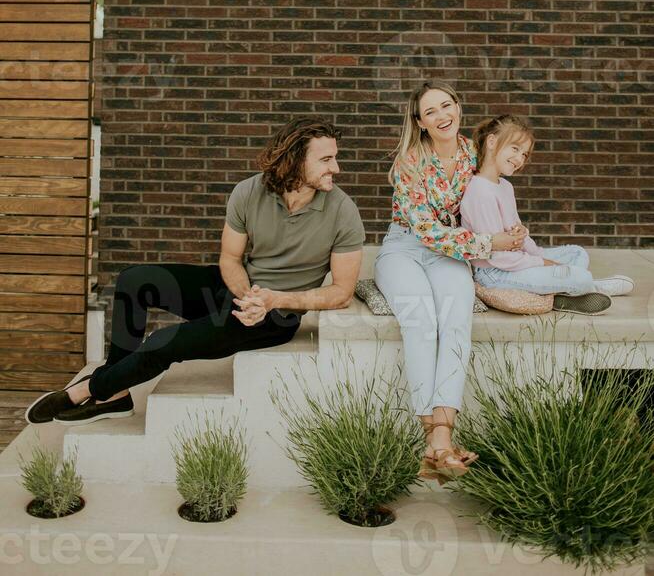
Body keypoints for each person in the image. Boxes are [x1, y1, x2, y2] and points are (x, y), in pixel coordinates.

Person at [26, 118, 364, 426]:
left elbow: (341, 292)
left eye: (334, 157)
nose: (336, 167)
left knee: (164, 342)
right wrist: (247, 296)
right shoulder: (249, 191)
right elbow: (230, 259)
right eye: (326, 159)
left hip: (277, 315)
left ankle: (88, 389)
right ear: (295, 159)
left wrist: (273, 300)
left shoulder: (342, 212)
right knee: (136, 279)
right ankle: (116, 394)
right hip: (238, 291)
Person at [374, 80, 525, 483]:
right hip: (404, 246)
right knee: (420, 320)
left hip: (452, 251)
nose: (443, 116)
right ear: (420, 123)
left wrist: (509, 231)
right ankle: (434, 441)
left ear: (458, 107)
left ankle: (441, 437)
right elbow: (424, 230)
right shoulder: (410, 161)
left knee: (456, 320)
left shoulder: (473, 154)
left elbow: (490, 193)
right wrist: (486, 242)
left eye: (447, 106)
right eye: (432, 112)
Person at [460, 114, 634, 313]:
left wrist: (537, 253)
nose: (519, 159)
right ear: (492, 141)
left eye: (524, 154)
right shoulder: (480, 192)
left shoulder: (505, 187)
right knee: (581, 277)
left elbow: (518, 235)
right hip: (495, 273)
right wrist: (543, 263)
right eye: (515, 149)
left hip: (518, 259)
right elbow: (497, 257)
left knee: (576, 252)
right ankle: (593, 286)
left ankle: (559, 293)